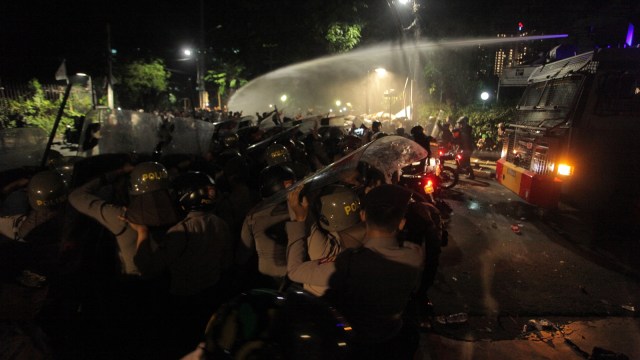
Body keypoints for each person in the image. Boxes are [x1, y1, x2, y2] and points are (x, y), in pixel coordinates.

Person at [286, 184, 424, 359]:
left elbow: (294, 271)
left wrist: (299, 220)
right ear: (402, 223)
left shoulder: (350, 263)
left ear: (363, 216)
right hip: (393, 339)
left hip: (359, 346)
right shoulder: (414, 254)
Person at [126, 171, 234, 357]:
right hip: (212, 294)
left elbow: (147, 268)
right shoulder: (221, 224)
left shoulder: (180, 231)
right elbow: (226, 263)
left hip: (184, 301)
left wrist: (142, 232)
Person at [237, 164, 297, 289]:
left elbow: (244, 252)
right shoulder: (301, 208)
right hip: (299, 272)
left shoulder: (253, 215)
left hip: (269, 276)